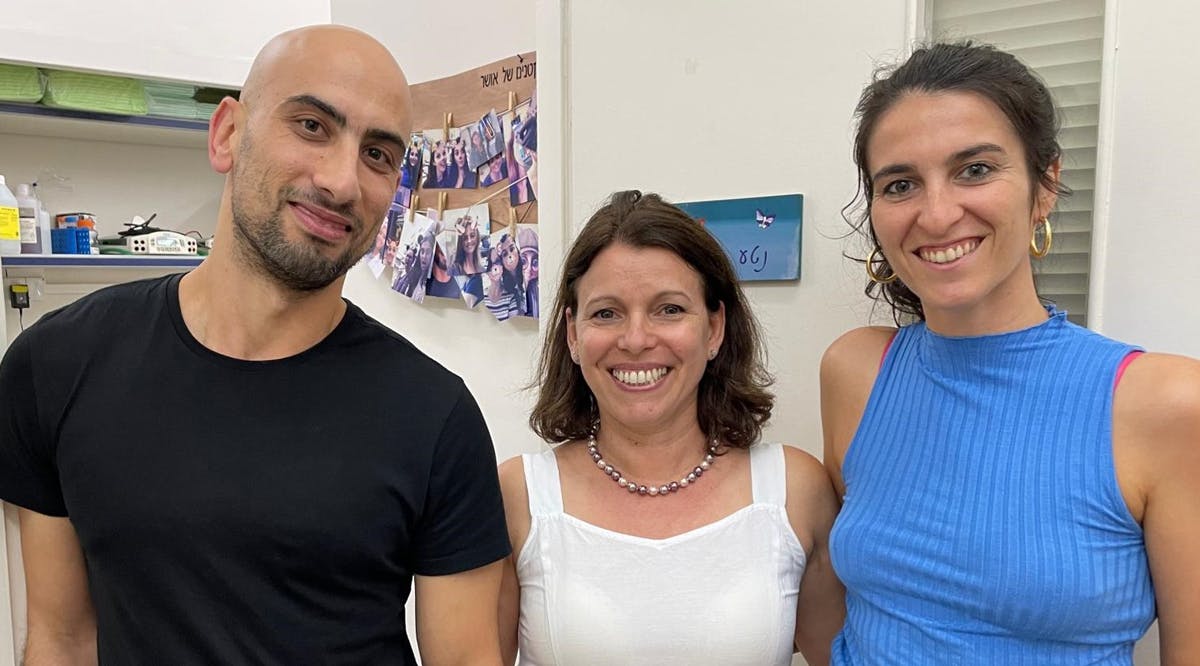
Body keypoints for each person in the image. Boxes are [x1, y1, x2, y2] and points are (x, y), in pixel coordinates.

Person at [0, 25, 509, 664]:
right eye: (312, 126)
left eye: (378, 155)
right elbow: (61, 640)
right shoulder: (55, 368)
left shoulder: (436, 418)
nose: (342, 181)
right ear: (227, 134)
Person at [822, 42, 1200, 664]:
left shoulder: (1161, 403)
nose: (937, 214)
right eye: (900, 183)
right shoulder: (855, 371)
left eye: (974, 169)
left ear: (1044, 184)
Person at [498, 190, 845, 665]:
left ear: (715, 329)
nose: (637, 339)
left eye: (670, 309)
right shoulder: (519, 496)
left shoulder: (795, 490)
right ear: (573, 334)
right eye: (606, 313)